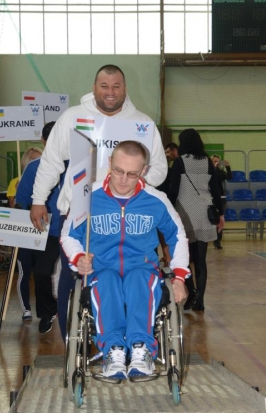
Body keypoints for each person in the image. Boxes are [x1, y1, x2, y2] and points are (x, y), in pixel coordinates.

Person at [30, 64, 168, 341]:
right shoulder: (72, 117)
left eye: (116, 86)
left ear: (124, 89)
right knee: (74, 275)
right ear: (94, 88)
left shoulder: (142, 123)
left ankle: (125, 338)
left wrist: (133, 186)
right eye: (104, 86)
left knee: (126, 274)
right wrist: (38, 199)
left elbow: (159, 169)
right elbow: (51, 162)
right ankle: (71, 342)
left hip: (124, 214)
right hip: (80, 210)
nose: (110, 92)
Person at [61, 141, 189, 379]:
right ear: (109, 163)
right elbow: (69, 236)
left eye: (131, 174)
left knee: (140, 278)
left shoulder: (156, 200)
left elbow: (178, 236)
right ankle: (114, 350)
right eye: (118, 170)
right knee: (107, 281)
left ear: (144, 171)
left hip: (141, 267)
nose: (122, 179)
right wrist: (78, 258)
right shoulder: (88, 197)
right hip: (101, 268)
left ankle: (141, 348)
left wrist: (180, 276)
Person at [168, 128, 224, 312]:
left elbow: (173, 190)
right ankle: (200, 301)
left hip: (186, 212)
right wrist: (220, 213)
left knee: (186, 257)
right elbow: (216, 190)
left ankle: (191, 291)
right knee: (201, 260)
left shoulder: (180, 162)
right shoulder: (208, 162)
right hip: (205, 212)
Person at [15, 127, 60, 333]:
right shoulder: (34, 167)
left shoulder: (75, 165)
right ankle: (47, 311)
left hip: (73, 230)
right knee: (41, 272)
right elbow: (21, 201)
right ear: (43, 140)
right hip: (47, 231)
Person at [210, 154, 232, 249]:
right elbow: (212, 177)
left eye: (218, 161)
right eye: (215, 161)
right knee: (209, 219)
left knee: (220, 220)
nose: (217, 163)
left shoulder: (220, 172)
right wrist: (214, 168)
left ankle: (217, 241)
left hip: (221, 198)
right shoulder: (210, 171)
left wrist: (227, 167)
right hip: (211, 198)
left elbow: (229, 177)